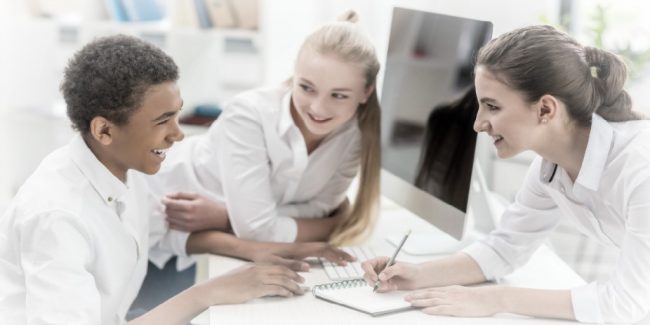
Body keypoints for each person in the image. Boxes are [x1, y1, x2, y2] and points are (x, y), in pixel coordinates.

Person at [0, 35, 308, 325]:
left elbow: (159, 233)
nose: (178, 134)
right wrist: (209, 292)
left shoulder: (122, 168)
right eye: (162, 121)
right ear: (104, 131)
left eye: (177, 116)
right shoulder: (57, 217)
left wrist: (253, 250)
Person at [362, 25, 650, 323]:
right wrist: (417, 274)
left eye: (492, 106)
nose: (478, 123)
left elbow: (625, 303)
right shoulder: (548, 169)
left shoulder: (640, 168)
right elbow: (505, 248)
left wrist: (497, 299)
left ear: (545, 110)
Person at [149, 10, 380, 247]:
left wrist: (227, 216)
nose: (318, 108)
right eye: (306, 88)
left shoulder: (355, 136)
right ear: (295, 74)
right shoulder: (248, 115)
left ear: (366, 92)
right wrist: (333, 225)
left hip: (203, 235)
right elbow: (257, 231)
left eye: (339, 95)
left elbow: (320, 208)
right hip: (157, 208)